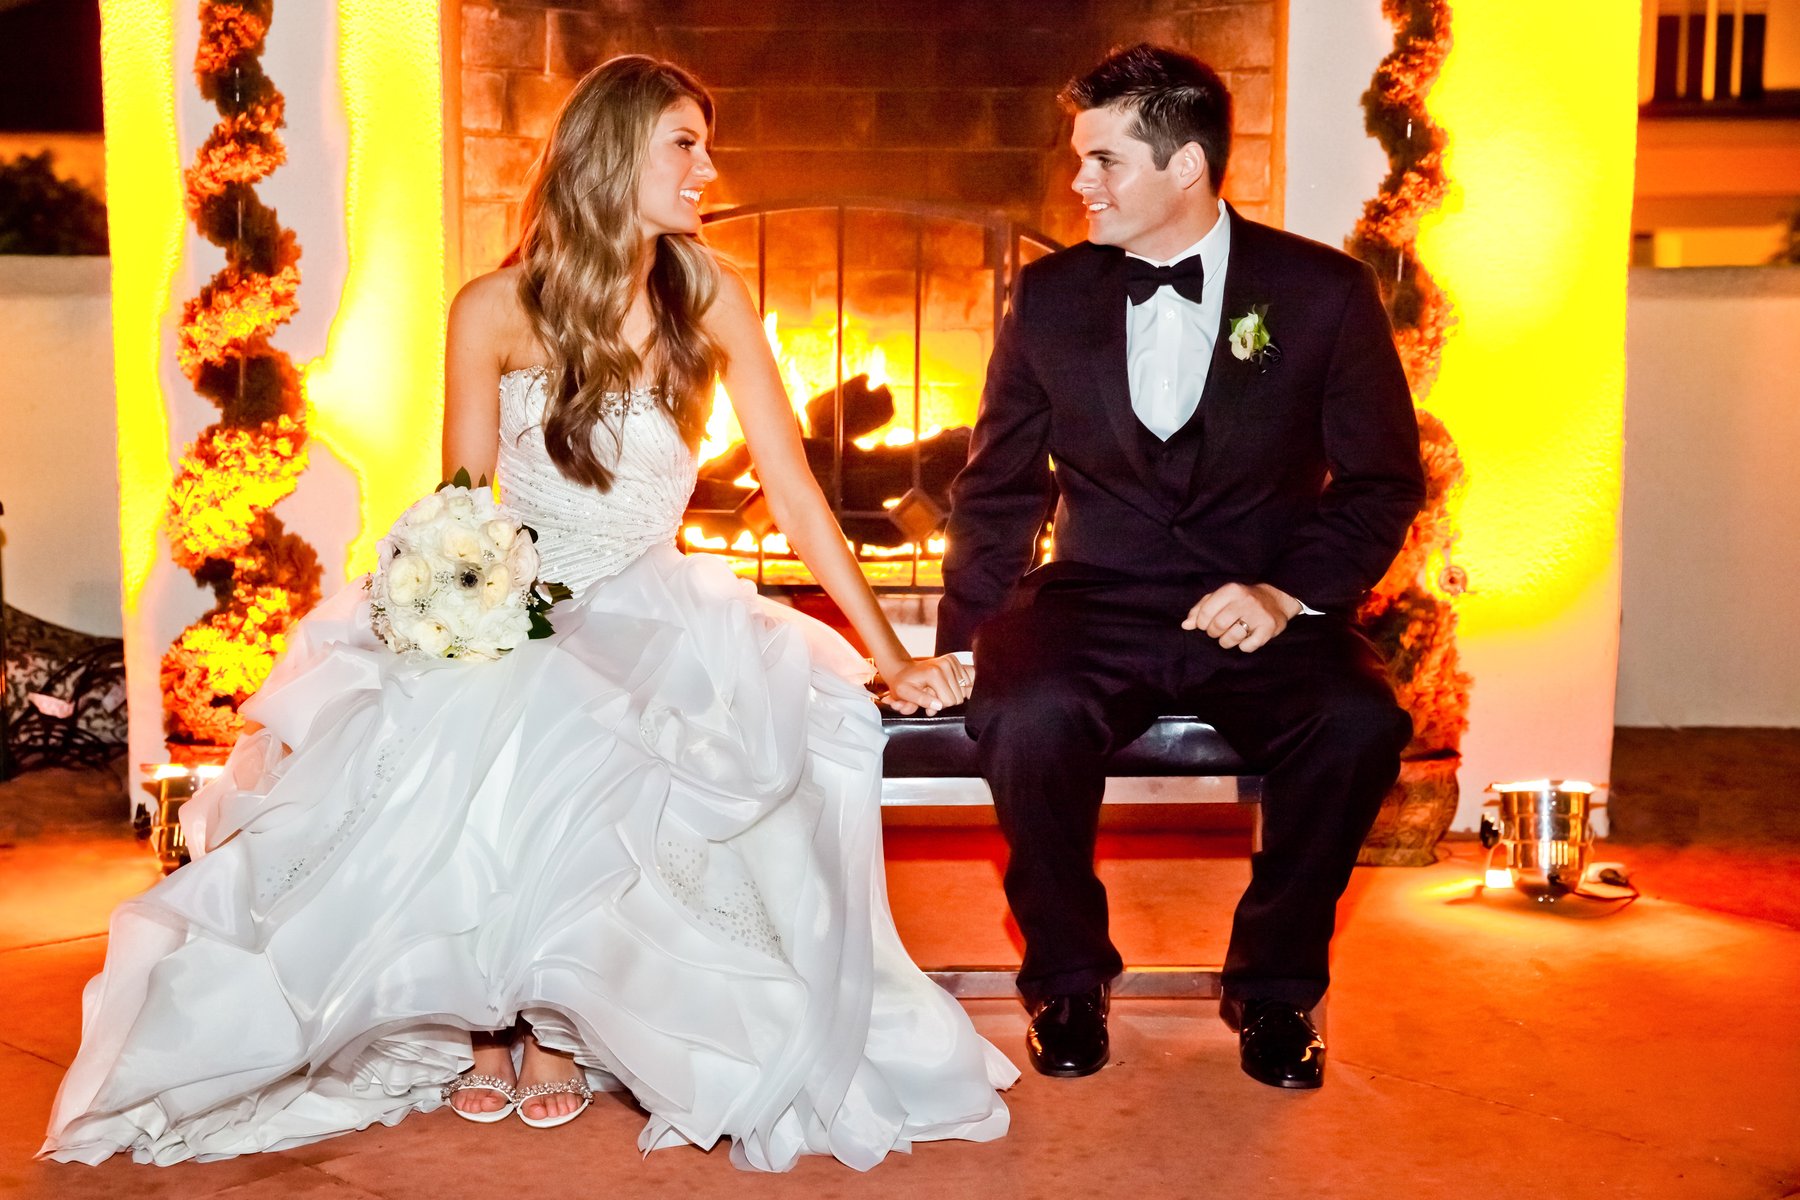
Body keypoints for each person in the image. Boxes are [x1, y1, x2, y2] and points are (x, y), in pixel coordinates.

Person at [41, 54, 1014, 1171]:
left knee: (633, 737)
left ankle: (552, 1022)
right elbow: (460, 505)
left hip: (660, 600)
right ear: (614, 152)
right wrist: (457, 612)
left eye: (706, 145)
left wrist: (890, 653)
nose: (708, 168)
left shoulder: (707, 295)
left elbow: (793, 493)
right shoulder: (492, 309)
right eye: (685, 144)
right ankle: (489, 1017)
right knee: (476, 725)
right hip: (523, 595)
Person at [936, 44, 1425, 1090]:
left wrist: (1285, 592)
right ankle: (1067, 978)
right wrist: (961, 647)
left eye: (1104, 160)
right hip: (1095, 599)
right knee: (1027, 709)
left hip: (1263, 603)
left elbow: (1383, 482)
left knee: (1356, 721)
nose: (1080, 182)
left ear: (1188, 164)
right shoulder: (1049, 296)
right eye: (1080, 158)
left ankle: (1276, 989)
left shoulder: (1323, 293)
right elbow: (1000, 489)